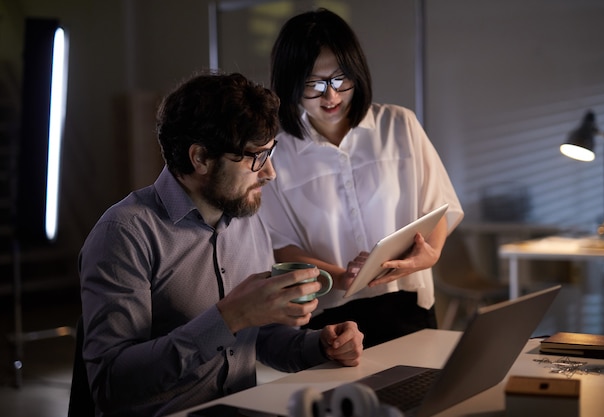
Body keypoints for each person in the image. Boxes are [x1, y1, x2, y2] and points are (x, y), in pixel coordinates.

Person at [78, 71, 364, 417]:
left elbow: (257, 337)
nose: (270, 173)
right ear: (199, 158)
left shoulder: (248, 217)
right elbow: (111, 384)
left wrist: (319, 345)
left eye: (271, 153)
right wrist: (227, 318)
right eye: (255, 157)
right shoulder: (124, 234)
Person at [259, 9, 464, 348]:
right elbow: (280, 244)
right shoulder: (277, 151)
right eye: (314, 83)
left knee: (418, 396)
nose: (331, 96)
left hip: (407, 301)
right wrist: (343, 277)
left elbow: (437, 207)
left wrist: (432, 253)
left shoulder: (400, 125)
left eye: (340, 79)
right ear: (291, 83)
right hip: (327, 314)